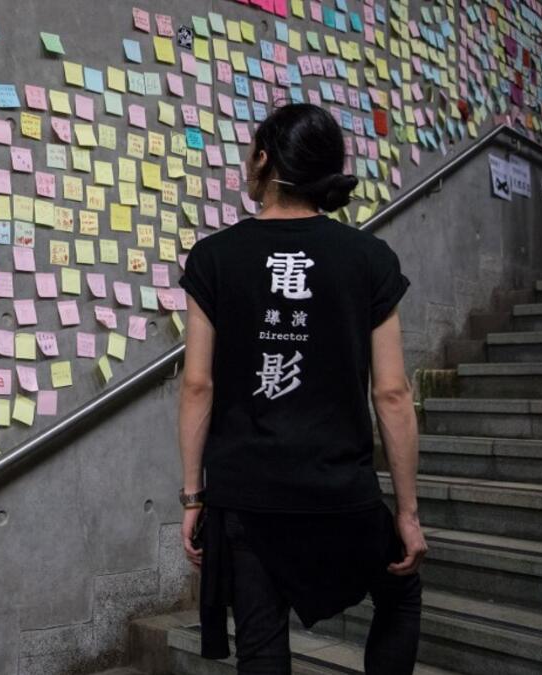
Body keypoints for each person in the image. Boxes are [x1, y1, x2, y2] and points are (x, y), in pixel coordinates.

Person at [175, 103, 428, 674]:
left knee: (262, 645)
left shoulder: (215, 257)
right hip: (339, 491)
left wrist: (193, 497)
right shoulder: (368, 258)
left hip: (247, 493)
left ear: (265, 159)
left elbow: (197, 384)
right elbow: (391, 393)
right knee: (400, 591)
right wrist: (407, 512)